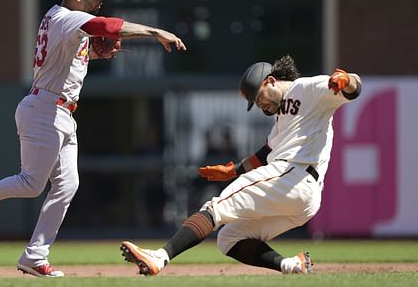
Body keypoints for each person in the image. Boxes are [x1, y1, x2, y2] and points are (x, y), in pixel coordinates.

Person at [0, 0, 186, 278]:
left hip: (59, 111)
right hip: (44, 110)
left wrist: (95, 53)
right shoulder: (67, 18)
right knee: (30, 184)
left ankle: (35, 255)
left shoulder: (64, 22)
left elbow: (73, 52)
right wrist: (155, 31)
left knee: (68, 184)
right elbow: (109, 26)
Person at [121, 55, 361, 275]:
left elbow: (353, 89)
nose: (259, 105)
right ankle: (292, 265)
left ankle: (160, 257)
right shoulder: (281, 118)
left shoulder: (307, 88)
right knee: (229, 238)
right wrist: (234, 171)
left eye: (258, 98)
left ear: (270, 81)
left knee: (216, 208)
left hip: (293, 176)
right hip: (302, 197)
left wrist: (346, 80)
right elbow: (267, 152)